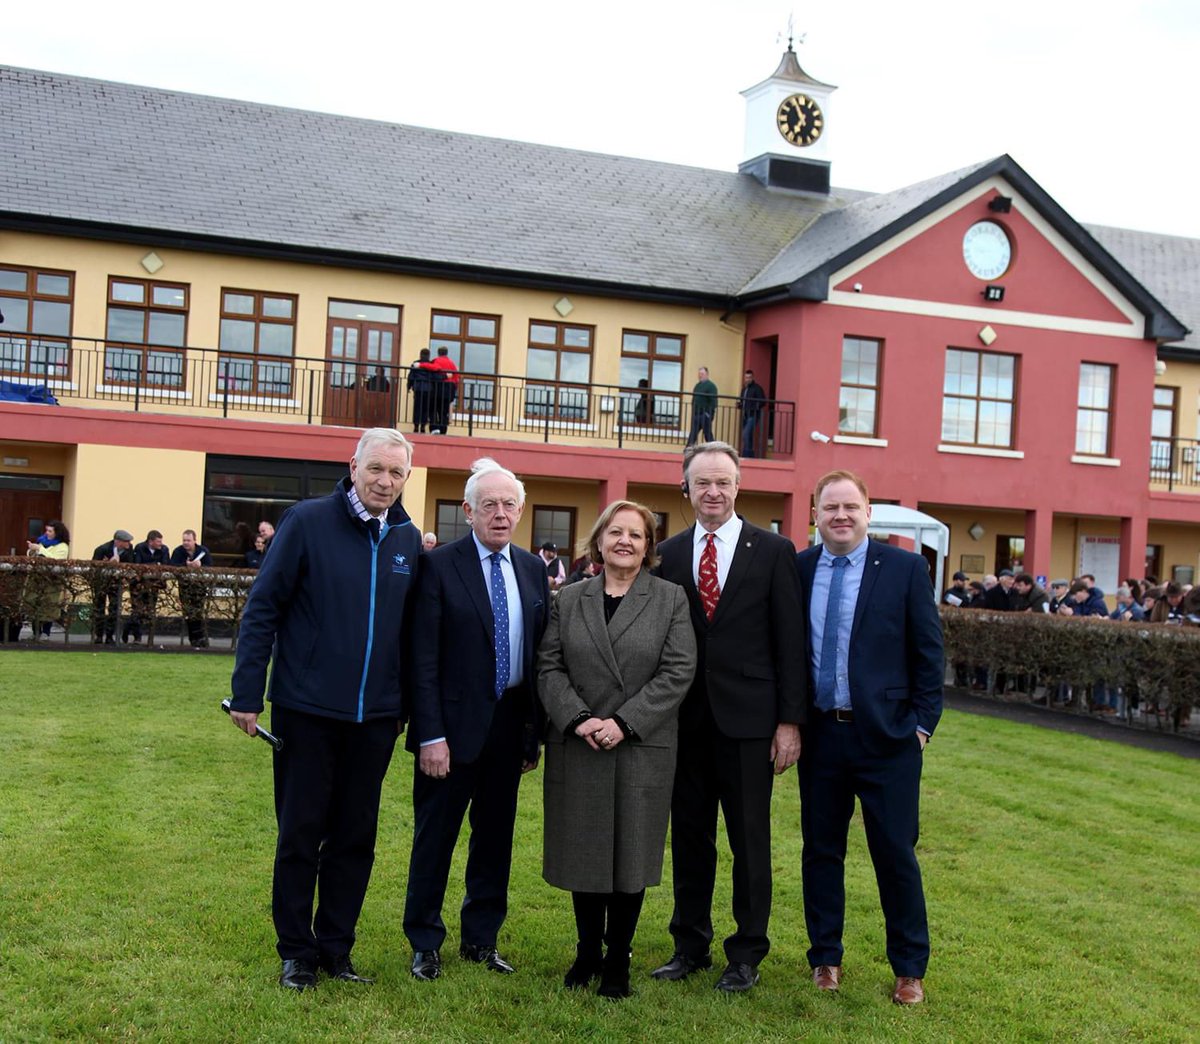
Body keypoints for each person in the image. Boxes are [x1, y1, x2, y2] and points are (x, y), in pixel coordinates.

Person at [228, 428, 422, 992]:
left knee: (355, 837)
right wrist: (247, 691)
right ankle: (297, 953)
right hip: (306, 709)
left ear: (407, 478)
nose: (385, 481)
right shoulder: (308, 521)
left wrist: (406, 705)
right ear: (354, 465)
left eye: (397, 473)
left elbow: (411, 634)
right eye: (376, 469)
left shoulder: (408, 539)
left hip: (378, 717)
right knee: (300, 833)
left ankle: (337, 950)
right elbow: (264, 606)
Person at [650, 441, 805, 993]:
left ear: (738, 488)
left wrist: (790, 722)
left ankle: (745, 953)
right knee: (690, 839)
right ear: (685, 489)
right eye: (702, 483)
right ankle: (689, 944)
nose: (712, 492)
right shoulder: (666, 553)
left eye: (723, 482)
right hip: (684, 723)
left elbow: (790, 641)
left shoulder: (774, 550)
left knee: (748, 841)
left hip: (750, 724)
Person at [537, 500, 696, 999]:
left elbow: (678, 671)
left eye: (636, 534)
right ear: (599, 540)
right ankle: (587, 953)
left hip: (639, 745)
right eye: (615, 532)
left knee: (630, 854)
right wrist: (580, 718)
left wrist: (624, 722)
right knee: (584, 851)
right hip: (580, 742)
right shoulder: (570, 598)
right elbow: (549, 667)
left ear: (648, 546)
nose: (625, 541)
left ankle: (617, 961)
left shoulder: (670, 599)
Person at [796, 470, 944, 1006]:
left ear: (867, 512)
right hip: (821, 739)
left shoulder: (904, 569)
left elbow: (929, 654)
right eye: (830, 507)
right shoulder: (800, 567)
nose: (840, 516)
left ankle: (909, 968)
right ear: (815, 513)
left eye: (850, 507)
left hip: (888, 742)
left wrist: (922, 726)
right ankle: (825, 959)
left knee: (895, 855)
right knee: (821, 852)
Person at [403, 457, 550, 983]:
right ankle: (424, 941)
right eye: (488, 504)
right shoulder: (439, 567)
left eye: (509, 504)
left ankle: (481, 940)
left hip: (508, 728)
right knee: (435, 839)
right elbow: (421, 659)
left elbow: (537, 658)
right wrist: (430, 735)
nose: (500, 513)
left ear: (521, 510)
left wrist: (533, 734)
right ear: (468, 511)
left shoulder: (532, 569)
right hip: (449, 730)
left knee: (495, 841)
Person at [25, 520, 70, 640]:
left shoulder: (63, 546)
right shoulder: (41, 541)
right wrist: (32, 549)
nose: (47, 533)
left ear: (57, 533)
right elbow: (32, 557)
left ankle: (46, 633)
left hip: (52, 581)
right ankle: (36, 633)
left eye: (50, 531)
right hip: (37, 579)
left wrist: (40, 549)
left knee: (49, 606)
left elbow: (55, 560)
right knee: (34, 604)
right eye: (47, 530)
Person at [124, 530, 171, 643]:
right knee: (137, 609)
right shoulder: (140, 548)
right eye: (158, 541)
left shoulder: (164, 549)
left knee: (150, 610)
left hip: (154, 585)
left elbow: (165, 565)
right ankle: (136, 636)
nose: (161, 544)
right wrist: (155, 565)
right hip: (138, 585)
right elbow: (138, 565)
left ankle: (130, 629)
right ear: (150, 541)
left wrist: (151, 566)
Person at [90, 528, 134, 644]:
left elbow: (131, 564)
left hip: (116, 583)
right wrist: (108, 564)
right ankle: (99, 635)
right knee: (99, 607)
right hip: (101, 583)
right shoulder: (102, 549)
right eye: (126, 542)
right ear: (118, 541)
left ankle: (110, 636)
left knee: (114, 608)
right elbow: (94, 567)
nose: (128, 544)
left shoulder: (129, 550)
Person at [170, 529, 210, 647]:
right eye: (184, 540)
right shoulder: (178, 551)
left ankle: (200, 638)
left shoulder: (203, 551)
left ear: (194, 540)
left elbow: (211, 566)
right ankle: (194, 639)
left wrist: (200, 566)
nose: (186, 543)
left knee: (198, 611)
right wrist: (185, 565)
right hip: (185, 586)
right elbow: (172, 566)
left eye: (188, 540)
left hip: (199, 586)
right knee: (188, 612)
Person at [428, 346, 459, 434]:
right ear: (446, 353)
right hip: (448, 390)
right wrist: (454, 390)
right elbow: (456, 379)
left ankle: (434, 428)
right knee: (444, 412)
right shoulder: (452, 363)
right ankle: (443, 430)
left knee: (433, 409)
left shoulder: (435, 361)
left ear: (438, 353)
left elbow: (432, 374)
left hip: (437, 389)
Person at [407, 348, 438, 434]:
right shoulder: (431, 365)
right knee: (425, 408)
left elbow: (411, 376)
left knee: (417, 408)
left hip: (418, 388)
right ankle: (423, 427)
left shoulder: (415, 364)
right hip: (428, 389)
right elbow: (434, 377)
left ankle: (416, 426)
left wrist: (409, 386)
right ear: (428, 355)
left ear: (420, 355)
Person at [685, 367, 718, 447]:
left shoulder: (711, 386)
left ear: (707, 374)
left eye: (702, 374)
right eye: (699, 374)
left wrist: (708, 414)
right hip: (697, 414)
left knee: (707, 434)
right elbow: (694, 399)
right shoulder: (697, 386)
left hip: (705, 414)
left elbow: (713, 402)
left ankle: (714, 449)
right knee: (693, 433)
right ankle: (688, 449)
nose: (700, 376)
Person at [738, 370, 766, 459]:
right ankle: (750, 456)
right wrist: (740, 405)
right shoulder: (744, 389)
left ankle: (745, 455)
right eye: (746, 377)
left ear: (752, 378)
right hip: (745, 415)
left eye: (749, 377)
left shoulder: (757, 388)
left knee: (745, 434)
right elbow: (743, 401)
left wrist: (755, 407)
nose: (747, 379)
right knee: (748, 436)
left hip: (753, 415)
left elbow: (763, 401)